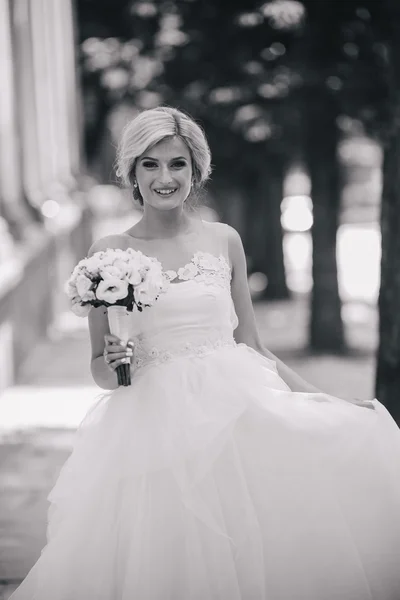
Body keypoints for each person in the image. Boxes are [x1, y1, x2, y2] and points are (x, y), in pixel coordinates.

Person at [10, 106, 400, 600]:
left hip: (236, 413)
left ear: (196, 170)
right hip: (153, 428)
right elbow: (102, 374)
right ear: (131, 172)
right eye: (149, 165)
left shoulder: (224, 240)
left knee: (251, 547)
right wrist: (112, 362)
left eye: (177, 164)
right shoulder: (107, 254)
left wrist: (324, 403)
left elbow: (252, 345)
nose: (164, 177)